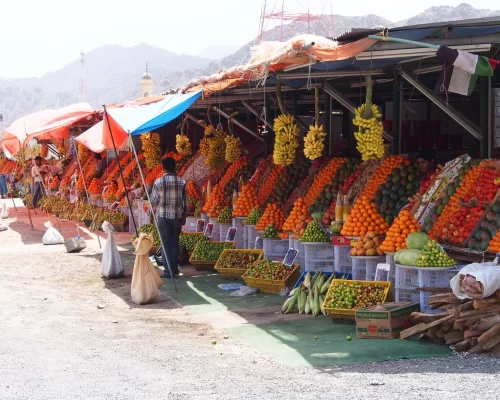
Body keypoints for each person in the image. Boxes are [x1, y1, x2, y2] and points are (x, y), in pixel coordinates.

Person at [150, 157, 187, 278]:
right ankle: (174, 268)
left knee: (165, 243)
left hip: (163, 217)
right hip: (177, 217)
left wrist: (150, 214)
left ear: (163, 167)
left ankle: (167, 271)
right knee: (175, 242)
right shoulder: (182, 182)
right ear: (174, 167)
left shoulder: (158, 182)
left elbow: (153, 201)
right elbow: (185, 202)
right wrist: (184, 216)